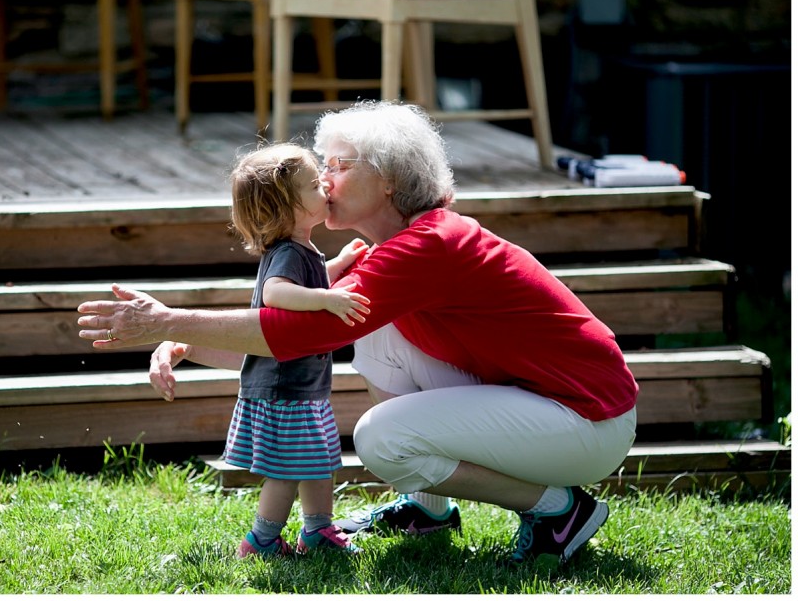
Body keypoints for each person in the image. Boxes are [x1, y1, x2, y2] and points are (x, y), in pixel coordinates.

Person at [78, 100, 639, 566]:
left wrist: (171, 321)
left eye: (339, 165)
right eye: (322, 165)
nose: (323, 178)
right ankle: (428, 509)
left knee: (381, 439)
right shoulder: (387, 252)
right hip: (547, 400)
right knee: (373, 336)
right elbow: (291, 341)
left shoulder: (426, 248)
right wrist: (185, 343)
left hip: (587, 418)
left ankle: (558, 511)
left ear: (389, 179)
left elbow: (290, 336)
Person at [168, 143, 371, 558]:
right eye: (314, 184)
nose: (326, 186)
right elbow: (277, 294)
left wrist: (338, 265)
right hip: (284, 390)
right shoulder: (286, 253)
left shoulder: (303, 250)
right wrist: (327, 299)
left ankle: (317, 531)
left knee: (318, 463)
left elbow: (306, 282)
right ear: (286, 207)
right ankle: (261, 540)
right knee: (287, 471)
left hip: (303, 386)